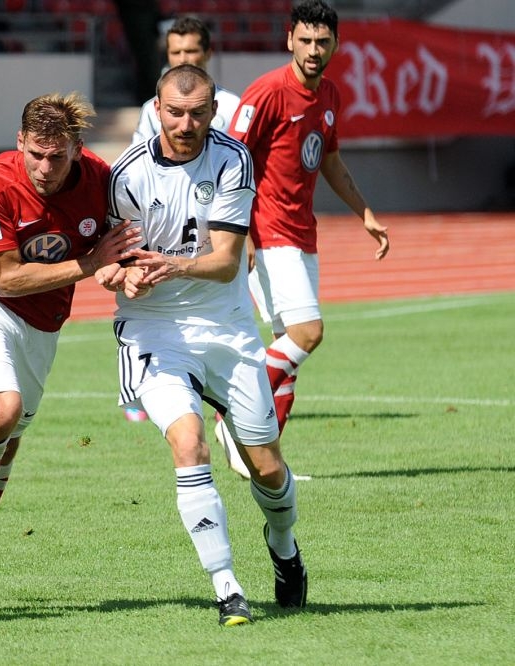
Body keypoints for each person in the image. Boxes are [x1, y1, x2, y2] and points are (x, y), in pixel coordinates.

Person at [97, 64, 308, 626]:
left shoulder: (232, 159)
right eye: (174, 112)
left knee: (267, 467)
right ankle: (227, 588)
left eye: (196, 113)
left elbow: (226, 262)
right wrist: (123, 276)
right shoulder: (127, 175)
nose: (185, 124)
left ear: (213, 111)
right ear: (157, 110)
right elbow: (115, 264)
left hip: (227, 328)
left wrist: (170, 265)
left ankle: (284, 546)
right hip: (154, 329)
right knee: (189, 444)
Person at [0, 92, 140, 602]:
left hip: (44, 324)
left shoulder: (102, 181)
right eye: (36, 154)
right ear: (20, 141)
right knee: (1, 412)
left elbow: (118, 251)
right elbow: (5, 279)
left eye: (57, 156)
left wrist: (123, 271)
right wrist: (90, 264)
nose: (44, 168)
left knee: (1, 464)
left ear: (78, 148)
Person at [228, 0, 390, 437]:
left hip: (303, 234)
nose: (313, 50)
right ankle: (233, 408)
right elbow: (232, 159)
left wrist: (365, 214)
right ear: (289, 41)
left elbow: (330, 160)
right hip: (268, 232)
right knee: (308, 333)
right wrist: (240, 233)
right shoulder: (268, 91)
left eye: (322, 41)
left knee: (290, 350)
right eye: (305, 40)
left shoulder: (330, 94)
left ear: (336, 44)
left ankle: (263, 456)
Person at [129, 16, 248, 482]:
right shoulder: (151, 109)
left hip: (229, 226)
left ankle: (230, 407)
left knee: (234, 313)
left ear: (207, 54)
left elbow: (243, 173)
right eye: (176, 53)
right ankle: (155, 388)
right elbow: (145, 173)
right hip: (171, 228)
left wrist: (247, 236)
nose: (183, 59)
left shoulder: (233, 107)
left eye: (191, 52)